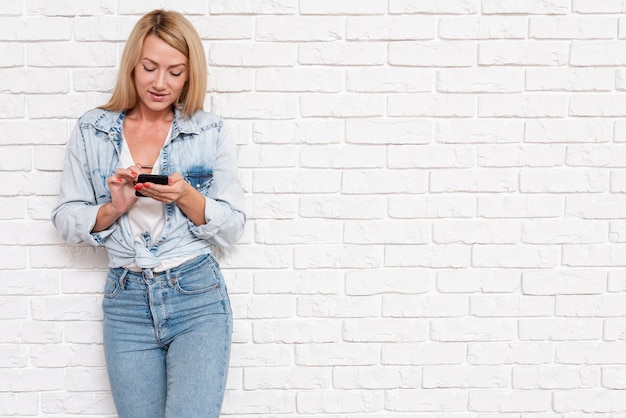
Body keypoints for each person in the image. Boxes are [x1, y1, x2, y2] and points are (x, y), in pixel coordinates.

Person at [51, 9, 245, 418]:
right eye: (150, 67)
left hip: (196, 296)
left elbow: (233, 226)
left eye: (175, 72)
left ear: (189, 75)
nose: (160, 83)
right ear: (132, 66)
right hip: (126, 300)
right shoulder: (93, 129)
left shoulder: (209, 131)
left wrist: (185, 197)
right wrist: (113, 208)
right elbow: (67, 217)